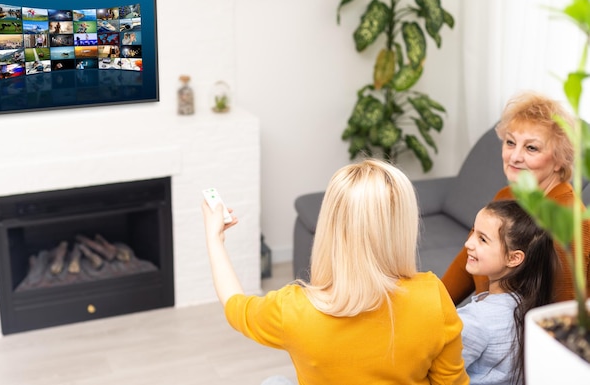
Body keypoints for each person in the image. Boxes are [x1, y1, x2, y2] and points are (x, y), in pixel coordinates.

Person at [202, 159, 469, 385]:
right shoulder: (432, 297)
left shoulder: (292, 309)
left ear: (330, 226)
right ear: (403, 227)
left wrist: (215, 238)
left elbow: (234, 306)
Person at [442, 91, 590, 305]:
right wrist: (434, 309)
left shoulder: (569, 221)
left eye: (531, 147)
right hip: (485, 319)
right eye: (510, 143)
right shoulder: (506, 196)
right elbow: (468, 260)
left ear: (560, 160)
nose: (514, 156)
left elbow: (557, 316)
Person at [458, 199, 556, 385]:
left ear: (514, 258)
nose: (468, 243)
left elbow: (438, 374)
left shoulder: (475, 321)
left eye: (482, 239)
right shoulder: (529, 305)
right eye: (473, 232)